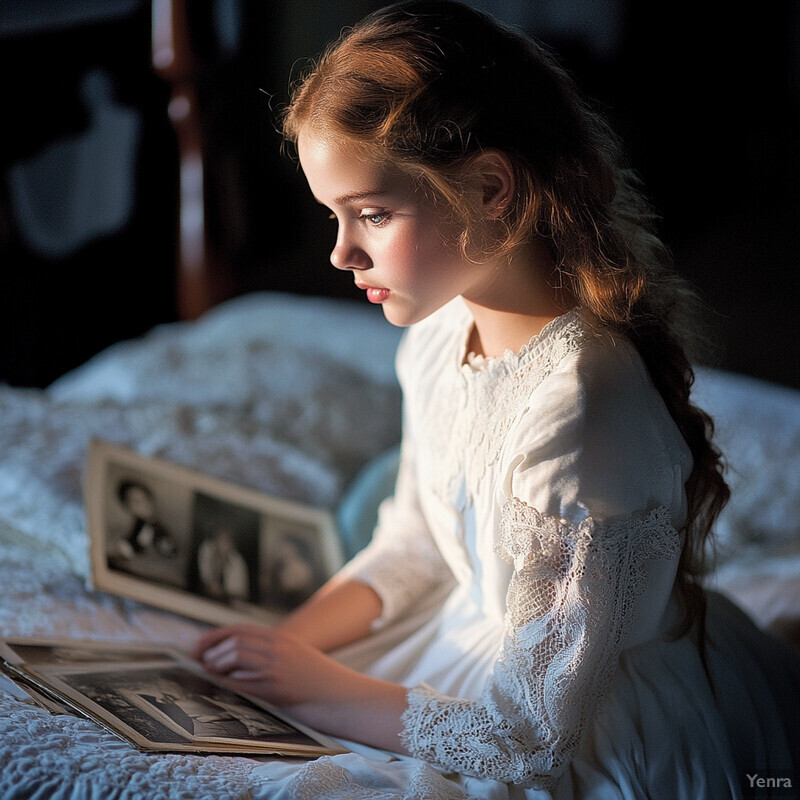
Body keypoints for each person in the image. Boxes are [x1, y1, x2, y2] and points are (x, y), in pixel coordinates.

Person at [192, 2, 800, 796]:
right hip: (474, 642)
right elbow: (414, 541)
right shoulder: (440, 336)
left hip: (588, 722)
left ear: (489, 189)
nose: (341, 254)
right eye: (332, 217)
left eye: (372, 214)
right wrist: (285, 644)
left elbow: (526, 738)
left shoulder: (579, 413)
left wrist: (310, 685)